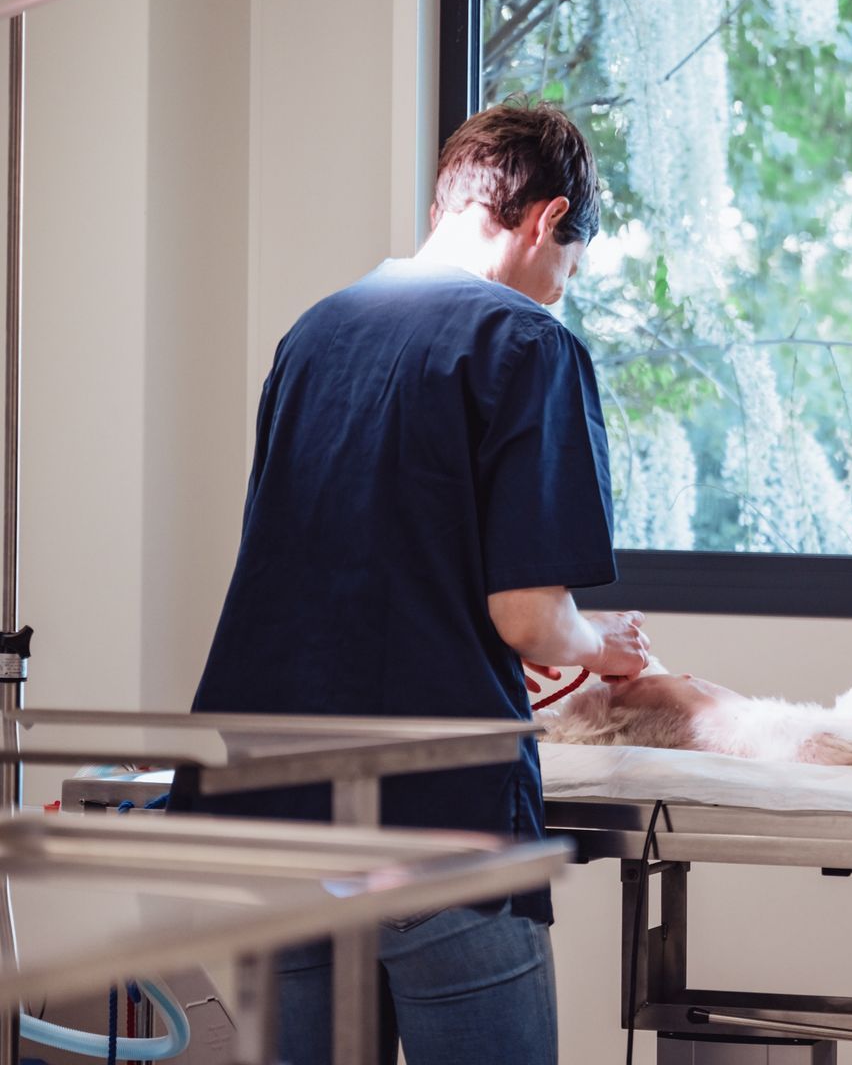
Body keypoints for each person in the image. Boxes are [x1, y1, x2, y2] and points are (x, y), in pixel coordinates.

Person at [190, 101, 652, 1065]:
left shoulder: (315, 333)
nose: (559, 291)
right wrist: (601, 646)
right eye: (569, 265)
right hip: (434, 807)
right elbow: (528, 618)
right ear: (545, 219)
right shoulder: (527, 344)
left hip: (275, 799)